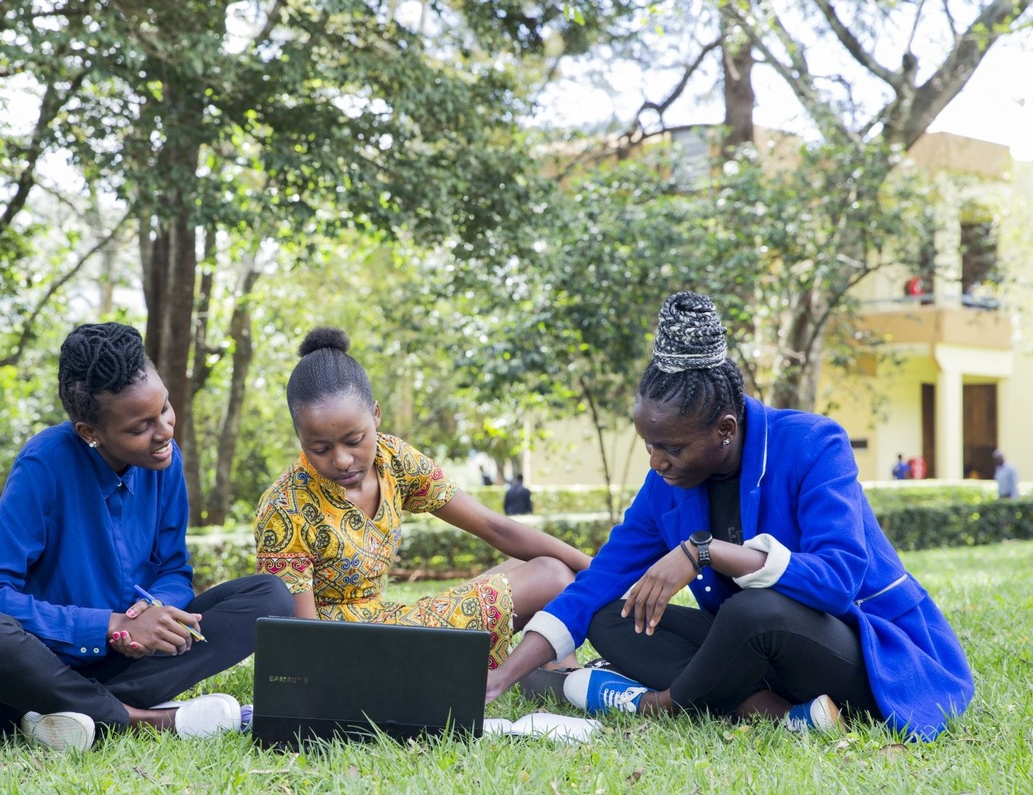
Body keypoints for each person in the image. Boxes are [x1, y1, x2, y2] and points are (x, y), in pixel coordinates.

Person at [486, 292, 974, 742]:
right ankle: (770, 711)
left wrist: (704, 551)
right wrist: (502, 677)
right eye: (650, 446)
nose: (656, 462)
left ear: (725, 429)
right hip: (753, 654)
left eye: (672, 448)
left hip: (866, 656)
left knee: (753, 608)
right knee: (611, 615)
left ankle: (662, 706)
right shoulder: (666, 485)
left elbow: (838, 580)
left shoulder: (813, 444)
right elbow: (597, 583)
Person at [0, 322, 293, 751]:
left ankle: (71, 716)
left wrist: (150, 615)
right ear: (90, 433)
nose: (165, 431)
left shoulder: (166, 464)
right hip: (24, 677)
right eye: (140, 427)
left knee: (268, 598)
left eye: (165, 409)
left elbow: (173, 570)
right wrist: (110, 626)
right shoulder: (44, 464)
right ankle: (146, 720)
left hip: (118, 668)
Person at [254, 327, 593, 669]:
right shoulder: (285, 507)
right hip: (350, 655)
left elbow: (494, 527)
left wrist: (601, 573)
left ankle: (554, 671)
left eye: (354, 440)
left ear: (376, 415)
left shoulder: (394, 459)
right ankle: (549, 674)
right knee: (551, 575)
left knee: (546, 564)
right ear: (300, 438)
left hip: (392, 622)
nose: (342, 459)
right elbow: (303, 641)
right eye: (321, 448)